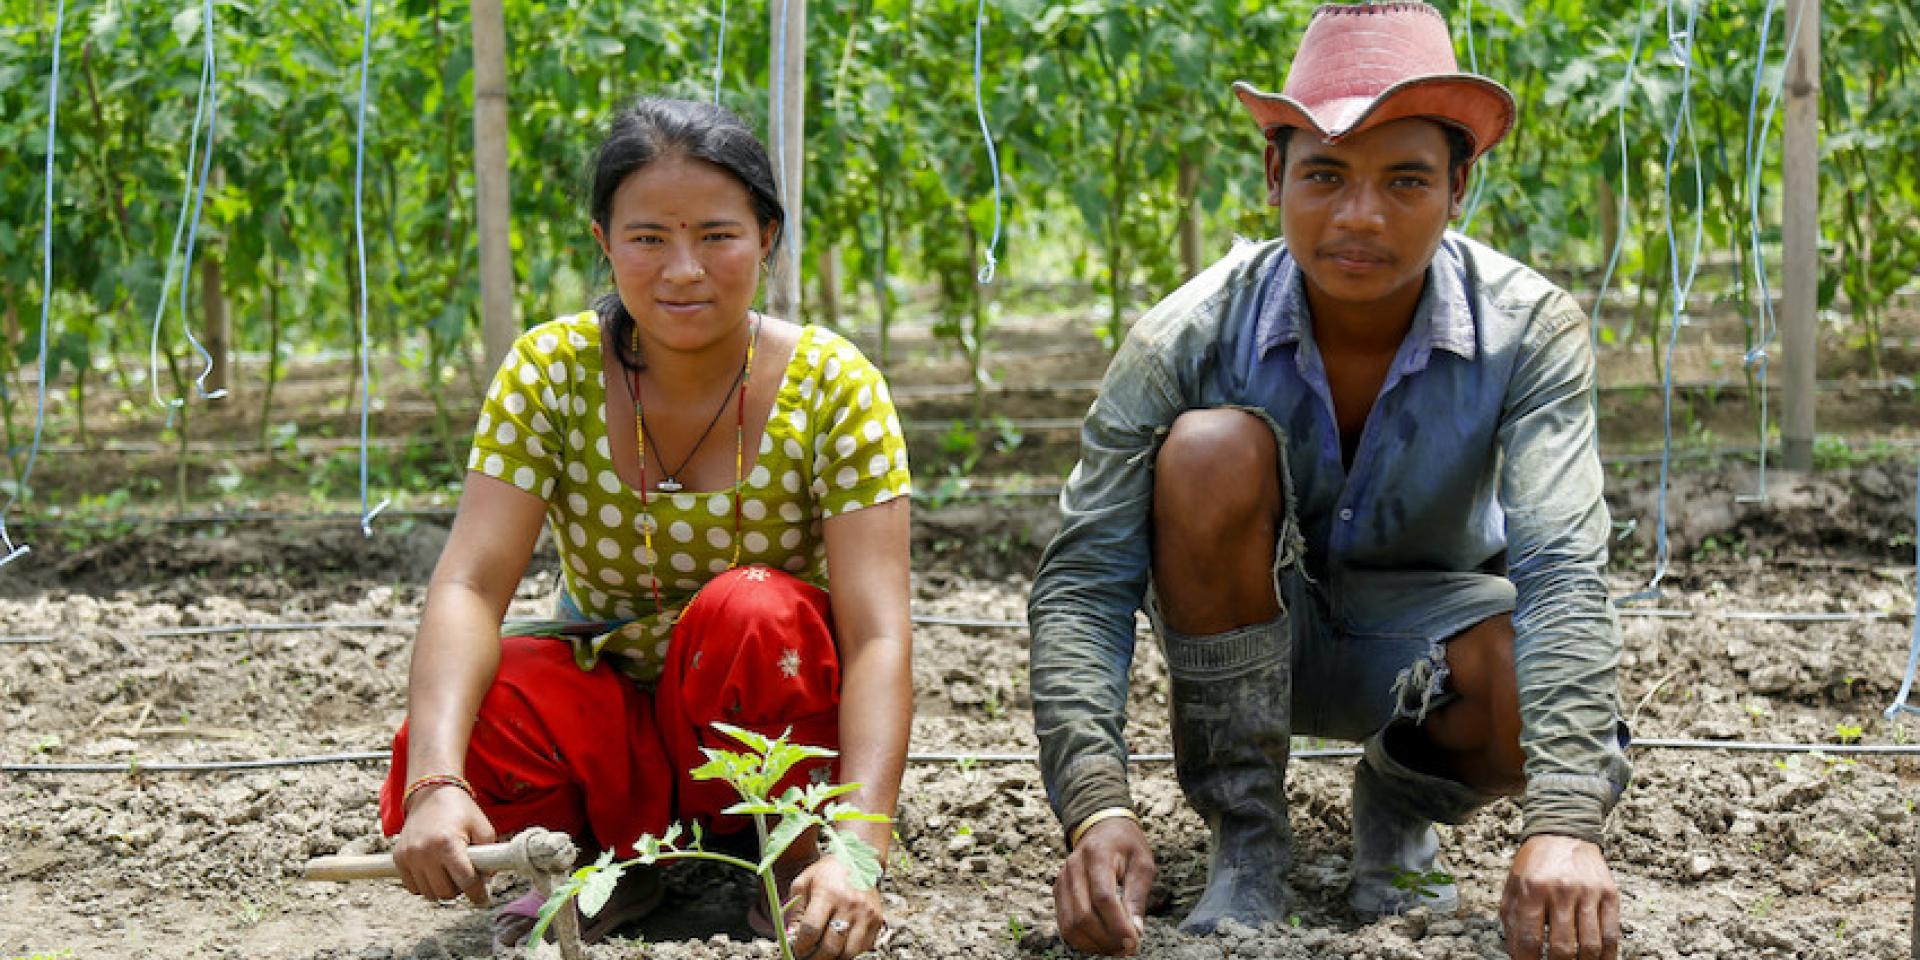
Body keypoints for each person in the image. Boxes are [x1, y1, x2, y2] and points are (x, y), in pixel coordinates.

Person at [1028, 4, 1631, 959]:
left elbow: (1563, 569)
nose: (1361, 217)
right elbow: (1083, 580)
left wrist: (1566, 819)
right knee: (1208, 449)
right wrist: (1094, 803)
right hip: (1235, 641)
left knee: (1524, 662)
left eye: (1405, 181)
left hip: (1426, 651)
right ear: (1274, 175)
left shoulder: (1529, 329)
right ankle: (1246, 836)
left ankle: (1398, 805)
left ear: (1459, 187)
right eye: (1324, 175)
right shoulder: (1184, 334)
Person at [379, 97, 912, 960]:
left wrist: (861, 845)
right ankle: (611, 863)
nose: (684, 270)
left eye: (717, 235)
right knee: (483, 705)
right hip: (616, 727)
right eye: (649, 238)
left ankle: (795, 859)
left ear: (767, 236)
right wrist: (437, 782)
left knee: (754, 609)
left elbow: (880, 632)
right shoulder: (552, 373)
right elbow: (471, 587)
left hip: (763, 717)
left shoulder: (833, 386)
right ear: (603, 240)